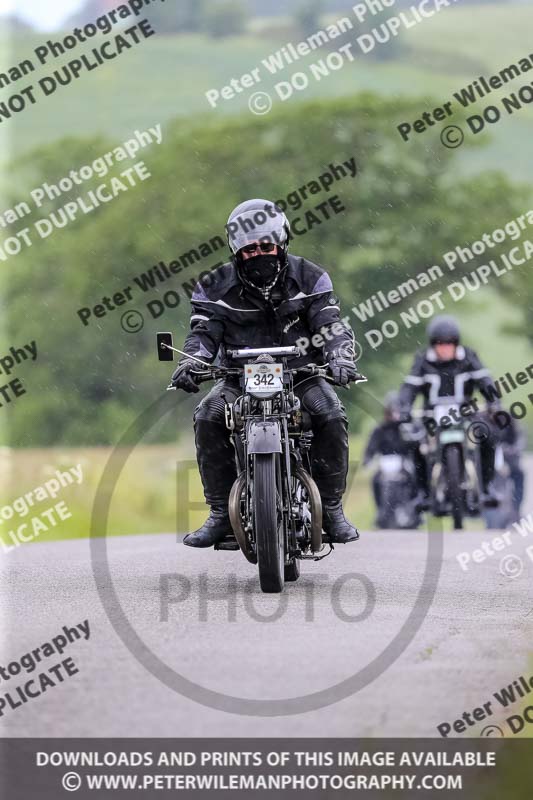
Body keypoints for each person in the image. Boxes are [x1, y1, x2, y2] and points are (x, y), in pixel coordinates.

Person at [170, 198, 361, 547]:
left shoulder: (311, 277)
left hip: (302, 374)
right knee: (207, 416)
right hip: (237, 377)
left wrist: (340, 356)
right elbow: (202, 333)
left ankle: (331, 510)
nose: (259, 254)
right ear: (235, 250)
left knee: (331, 414)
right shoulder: (213, 286)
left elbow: (331, 325)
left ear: (282, 242)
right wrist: (191, 362)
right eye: (249, 249)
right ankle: (219, 513)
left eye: (266, 246)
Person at [398, 315, 500, 506]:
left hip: (466, 415)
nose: (445, 348)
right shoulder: (422, 361)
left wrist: (494, 403)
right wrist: (404, 408)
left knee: (489, 437)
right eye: (440, 344)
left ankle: (487, 487)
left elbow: (486, 383)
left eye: (449, 343)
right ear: (433, 344)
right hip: (431, 417)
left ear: (456, 343)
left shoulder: (469, 357)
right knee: (415, 443)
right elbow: (408, 389)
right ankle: (423, 493)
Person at [363, 391, 423, 512]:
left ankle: (415, 506)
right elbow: (371, 447)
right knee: (375, 480)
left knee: (414, 479)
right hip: (385, 461)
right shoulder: (380, 429)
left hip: (404, 460)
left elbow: (417, 443)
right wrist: (368, 459)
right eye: (391, 411)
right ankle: (380, 509)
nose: (393, 414)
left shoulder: (407, 427)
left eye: (396, 410)